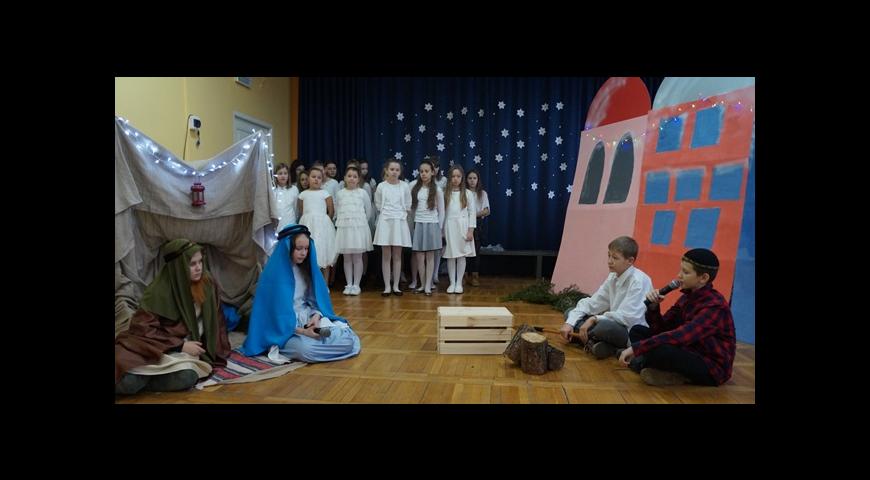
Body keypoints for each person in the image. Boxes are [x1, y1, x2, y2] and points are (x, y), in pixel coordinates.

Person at [115, 239, 231, 394]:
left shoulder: (208, 284)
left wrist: (215, 352)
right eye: (192, 264)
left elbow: (218, 321)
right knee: (128, 382)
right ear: (178, 266)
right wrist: (180, 345)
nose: (199, 268)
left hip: (181, 356)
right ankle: (138, 381)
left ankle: (145, 383)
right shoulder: (157, 292)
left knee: (187, 377)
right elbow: (143, 331)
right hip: (150, 349)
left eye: (200, 262)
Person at [240, 224, 361, 363]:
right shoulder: (272, 275)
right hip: (286, 330)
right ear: (288, 247)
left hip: (307, 319)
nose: (304, 253)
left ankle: (322, 344)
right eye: (299, 249)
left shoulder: (305, 270)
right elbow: (272, 318)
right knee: (306, 350)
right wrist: (303, 332)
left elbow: (313, 301)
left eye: (306, 249)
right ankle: (316, 346)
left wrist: (316, 316)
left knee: (347, 339)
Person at [618, 248, 736, 386]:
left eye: (685, 272)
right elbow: (661, 329)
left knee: (661, 350)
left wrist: (637, 348)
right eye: (681, 270)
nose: (679, 275)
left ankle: (645, 363)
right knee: (638, 330)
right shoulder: (686, 297)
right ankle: (648, 365)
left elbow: (681, 336)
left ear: (703, 278)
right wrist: (654, 307)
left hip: (710, 365)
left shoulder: (715, 306)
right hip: (687, 349)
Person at [560, 236, 652, 360]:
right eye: (609, 256)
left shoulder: (639, 281)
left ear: (630, 261)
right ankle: (601, 344)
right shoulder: (613, 276)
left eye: (615, 258)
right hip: (611, 323)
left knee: (603, 327)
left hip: (629, 331)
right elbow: (593, 303)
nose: (609, 261)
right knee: (570, 312)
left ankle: (595, 342)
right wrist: (569, 323)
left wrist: (594, 319)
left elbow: (627, 317)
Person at [372, 158, 412, 296]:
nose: (394, 172)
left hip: (399, 222)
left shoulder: (404, 186)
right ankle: (387, 286)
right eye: (392, 169)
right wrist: (387, 213)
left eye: (397, 170)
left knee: (397, 255)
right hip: (385, 221)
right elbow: (378, 203)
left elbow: (408, 203)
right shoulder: (381, 186)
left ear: (400, 172)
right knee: (386, 255)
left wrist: (400, 214)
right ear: (386, 170)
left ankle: (396, 286)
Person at [334, 165, 374, 295]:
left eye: (355, 177)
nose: (352, 178)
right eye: (349, 176)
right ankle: (348, 284)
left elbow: (368, 212)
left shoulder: (362, 193)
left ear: (358, 179)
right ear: (345, 178)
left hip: (358, 229)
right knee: (346, 258)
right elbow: (337, 210)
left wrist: (360, 223)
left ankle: (356, 285)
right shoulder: (340, 194)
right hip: (345, 229)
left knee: (357, 257)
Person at [409, 159, 445, 295]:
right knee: (419, 257)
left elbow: (442, 211)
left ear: (432, 173)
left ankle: (428, 285)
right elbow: (412, 209)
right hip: (419, 224)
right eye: (421, 171)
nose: (423, 174)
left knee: (430, 256)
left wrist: (439, 228)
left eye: (426, 171)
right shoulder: (415, 187)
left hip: (432, 224)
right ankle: (422, 284)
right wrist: (414, 222)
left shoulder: (437, 190)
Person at [297, 166, 337, 282]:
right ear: (308, 178)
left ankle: (325, 284)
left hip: (323, 226)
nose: (316, 179)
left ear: (322, 180)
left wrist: (324, 221)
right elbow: (301, 210)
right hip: (308, 225)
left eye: (319, 178)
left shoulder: (325, 193)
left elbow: (331, 211)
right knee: (310, 251)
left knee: (323, 251)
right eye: (313, 177)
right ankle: (310, 283)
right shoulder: (303, 194)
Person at [442, 165, 476, 294]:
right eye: (453, 176)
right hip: (449, 226)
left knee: (461, 255)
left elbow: (472, 213)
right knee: (451, 256)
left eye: (458, 176)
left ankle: (459, 283)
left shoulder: (467, 193)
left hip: (463, 227)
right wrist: (441, 230)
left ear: (462, 178)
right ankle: (452, 282)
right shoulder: (445, 193)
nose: (455, 179)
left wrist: (470, 230)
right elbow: (442, 213)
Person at [465, 169, 490, 287]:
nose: (472, 180)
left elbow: (486, 211)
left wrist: (472, 215)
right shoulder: (463, 193)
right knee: (464, 250)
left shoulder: (483, 193)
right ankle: (464, 275)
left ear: (478, 180)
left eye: (474, 178)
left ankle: (475, 276)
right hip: (464, 224)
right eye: (470, 178)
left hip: (478, 224)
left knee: (475, 250)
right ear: (466, 180)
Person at [273, 162, 299, 231]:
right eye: (280, 173)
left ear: (288, 175)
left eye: (285, 173)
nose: (283, 176)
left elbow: (296, 208)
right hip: (276, 225)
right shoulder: (273, 190)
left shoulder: (294, 189)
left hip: (290, 222)